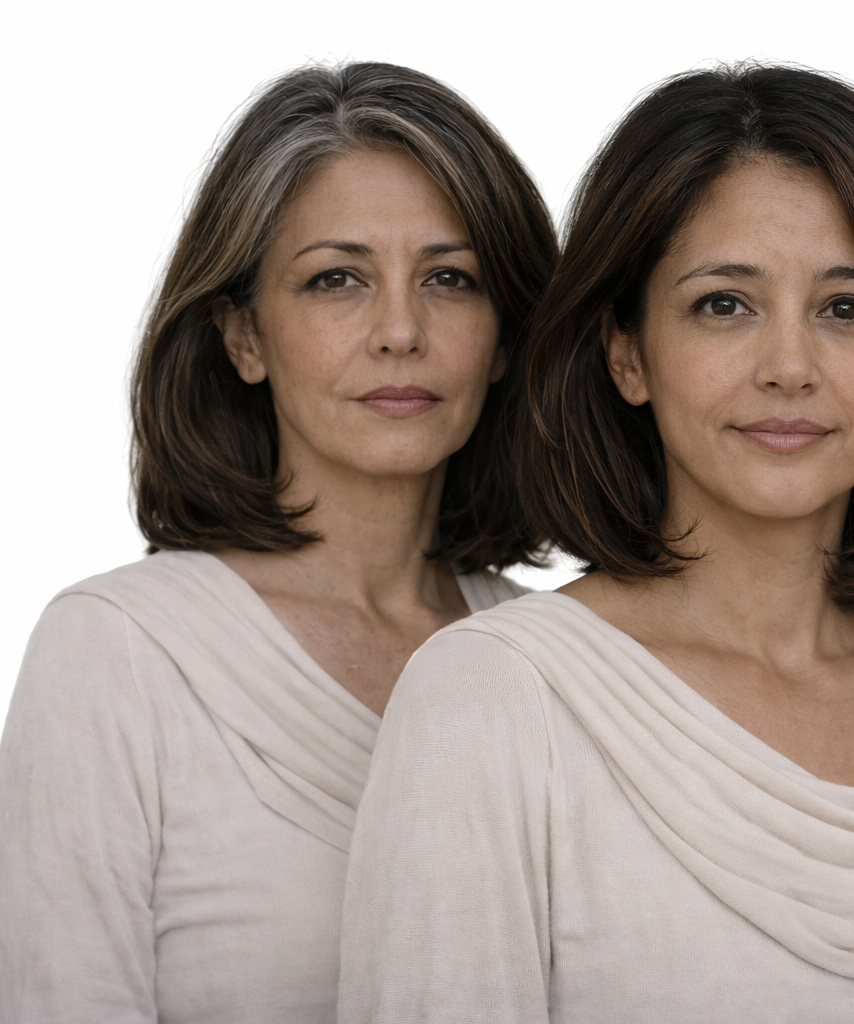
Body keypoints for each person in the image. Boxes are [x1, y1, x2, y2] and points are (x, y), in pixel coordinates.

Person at [339, 64, 854, 1023]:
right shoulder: (495, 702)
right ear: (627, 353)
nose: (790, 367)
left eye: (849, 309)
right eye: (725, 304)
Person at [0, 62, 556, 1023]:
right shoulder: (116, 652)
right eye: (336, 279)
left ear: (505, 338)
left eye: (449, 279)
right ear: (243, 337)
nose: (399, 330)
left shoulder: (566, 662)